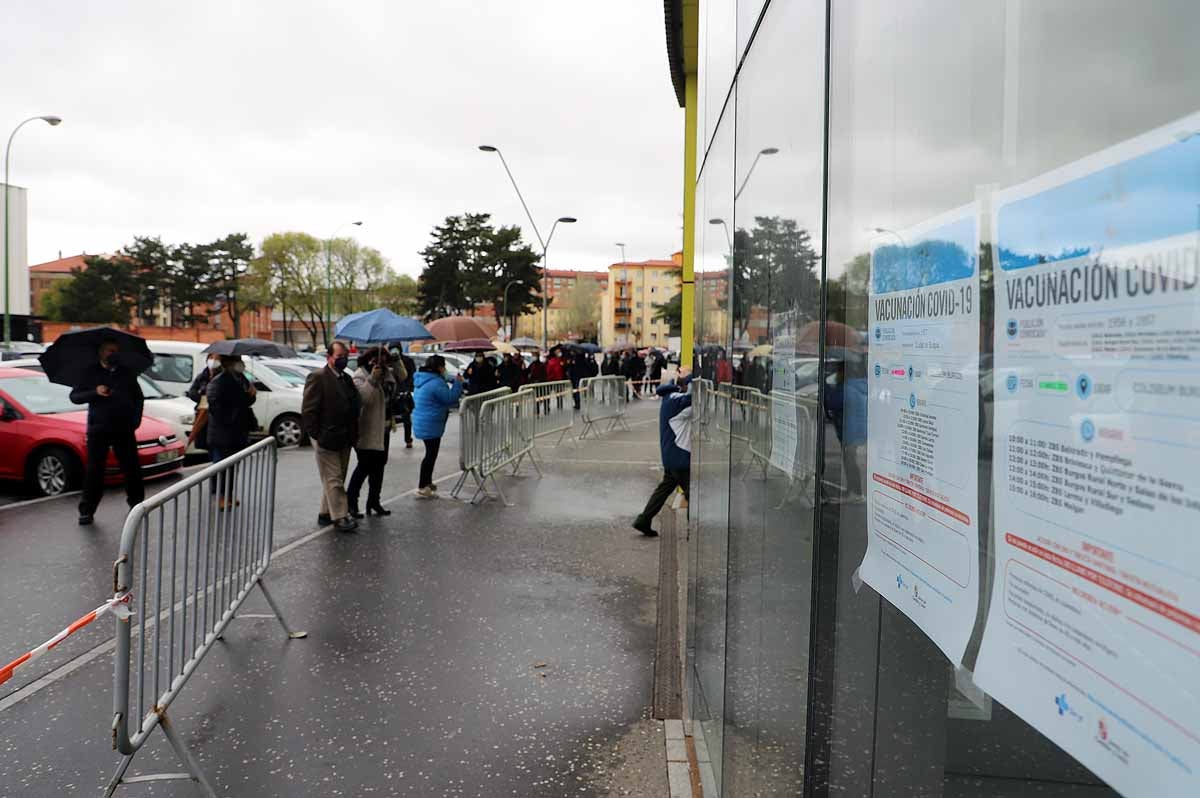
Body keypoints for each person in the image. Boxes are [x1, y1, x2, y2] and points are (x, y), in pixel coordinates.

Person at [70, 337, 145, 526]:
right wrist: (94, 392)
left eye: (115, 350)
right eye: (110, 350)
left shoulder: (126, 373)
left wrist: (135, 421)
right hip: (99, 429)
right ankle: (87, 510)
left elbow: (138, 398)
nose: (113, 354)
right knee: (95, 469)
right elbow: (75, 396)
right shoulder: (90, 372)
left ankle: (137, 505)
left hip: (124, 428)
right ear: (101, 352)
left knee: (132, 468)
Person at [301, 341, 362, 532]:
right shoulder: (318, 377)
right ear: (329, 357)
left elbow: (355, 403)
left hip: (344, 436)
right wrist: (317, 434)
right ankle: (340, 516)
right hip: (326, 437)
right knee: (334, 478)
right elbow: (308, 410)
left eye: (345, 356)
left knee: (336, 477)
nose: (343, 360)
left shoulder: (345, 378)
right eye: (339, 357)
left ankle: (326, 512)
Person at [632, 367, 693, 536]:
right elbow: (695, 397)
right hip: (680, 456)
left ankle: (644, 519)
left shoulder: (669, 397)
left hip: (672, 455)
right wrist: (690, 376)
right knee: (693, 494)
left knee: (664, 489)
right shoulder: (677, 400)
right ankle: (692, 531)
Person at [346, 348, 398, 518]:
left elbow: (402, 379)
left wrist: (394, 364)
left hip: (383, 428)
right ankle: (351, 503)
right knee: (364, 466)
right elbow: (364, 399)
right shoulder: (359, 376)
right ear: (369, 360)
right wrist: (373, 379)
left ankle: (374, 501)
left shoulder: (385, 373)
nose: (380, 363)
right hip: (366, 429)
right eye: (377, 360)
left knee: (379, 467)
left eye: (384, 360)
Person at [205, 355, 257, 510]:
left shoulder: (240, 378)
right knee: (222, 466)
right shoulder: (218, 381)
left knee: (233, 467)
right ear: (228, 363)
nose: (241, 363)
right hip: (223, 433)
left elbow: (245, 401)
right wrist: (230, 419)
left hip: (238, 432)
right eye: (237, 360)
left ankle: (228, 495)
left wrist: (251, 395)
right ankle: (220, 497)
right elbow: (215, 406)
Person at [412, 354, 464, 498]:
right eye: (444, 367)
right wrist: (458, 384)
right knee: (430, 455)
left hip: (423, 421)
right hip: (431, 424)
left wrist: (451, 379)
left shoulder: (423, 379)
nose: (445, 370)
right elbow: (450, 399)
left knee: (430, 454)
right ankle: (423, 486)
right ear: (439, 368)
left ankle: (427, 482)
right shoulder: (436, 383)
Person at [390, 348, 416, 449]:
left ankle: (408, 439)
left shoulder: (407, 360)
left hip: (404, 392)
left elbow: (410, 375)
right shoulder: (388, 361)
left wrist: (407, 388)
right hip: (392, 392)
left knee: (406, 417)